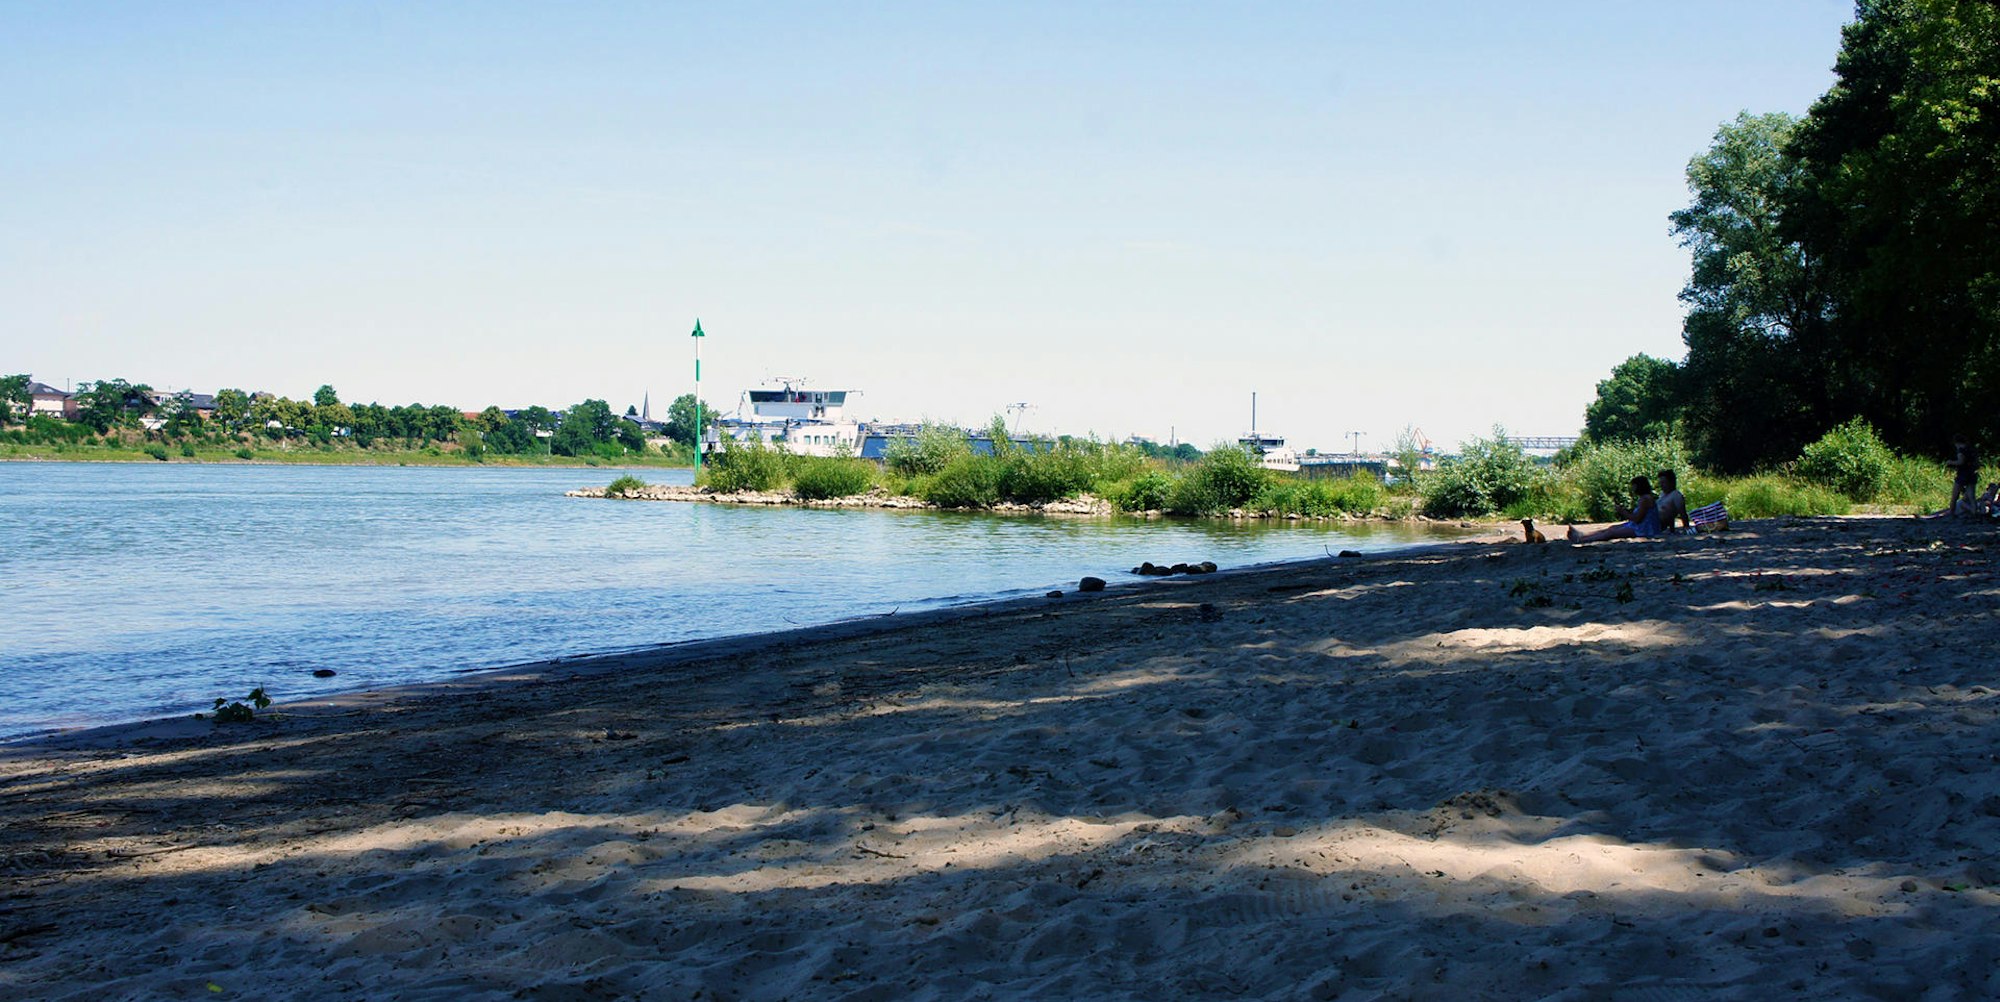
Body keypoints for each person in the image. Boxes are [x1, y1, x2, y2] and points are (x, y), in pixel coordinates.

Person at [1567, 476, 1660, 543]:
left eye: (1634, 486)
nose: (1632, 488)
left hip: (1645, 529)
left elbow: (1637, 519)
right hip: (1643, 526)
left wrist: (1622, 512)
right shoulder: (1645, 498)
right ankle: (1583, 535)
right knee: (1611, 528)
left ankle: (1582, 539)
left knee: (1611, 532)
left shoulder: (1645, 499)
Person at [1947, 434, 1982, 516]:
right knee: (1972, 497)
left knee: (1954, 496)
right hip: (1972, 474)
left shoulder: (1961, 450)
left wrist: (1950, 462)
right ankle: (1974, 513)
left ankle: (1951, 513)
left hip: (1962, 475)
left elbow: (1961, 462)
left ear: (1956, 443)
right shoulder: (1972, 450)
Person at [1656, 469, 1691, 533]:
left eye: (1664, 483)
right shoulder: (1662, 494)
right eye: (1660, 483)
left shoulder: (1676, 495)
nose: (1661, 485)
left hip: (1657, 524)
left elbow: (1683, 513)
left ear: (1671, 482)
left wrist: (1686, 527)